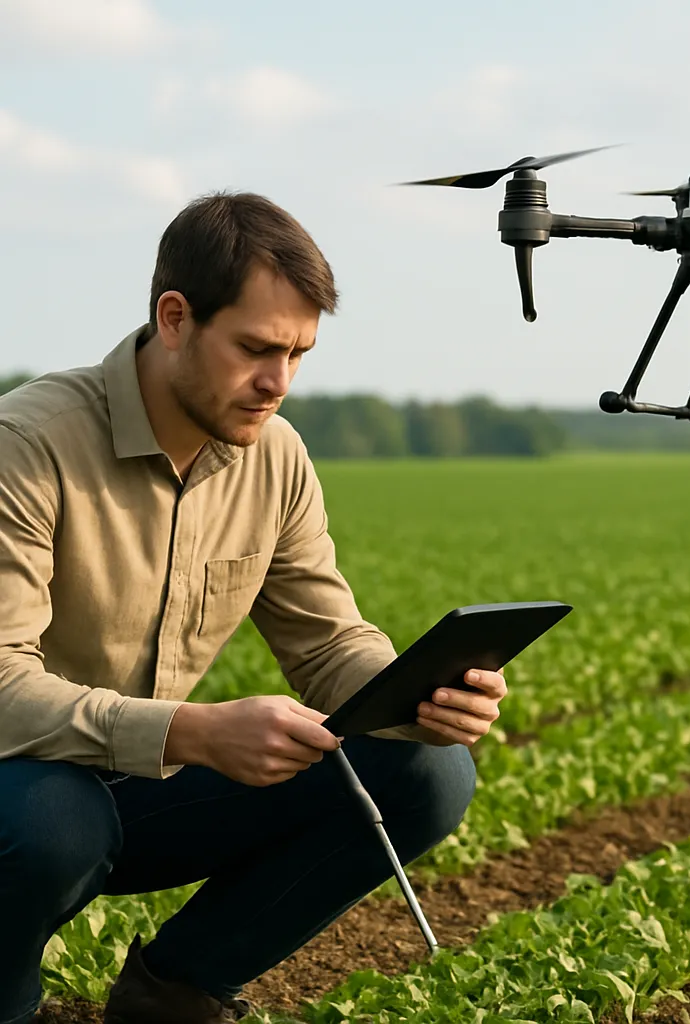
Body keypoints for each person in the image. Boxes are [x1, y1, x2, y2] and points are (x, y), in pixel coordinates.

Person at [0, 192, 507, 1024]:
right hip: (22, 789)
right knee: (56, 819)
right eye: (257, 349)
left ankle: (175, 994)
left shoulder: (273, 455)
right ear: (174, 317)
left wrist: (413, 692)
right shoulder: (28, 445)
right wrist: (194, 730)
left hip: (130, 789)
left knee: (422, 771)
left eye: (300, 353)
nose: (278, 382)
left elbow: (327, 641)